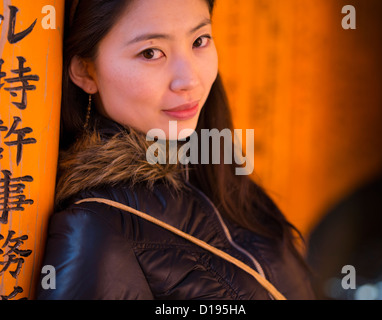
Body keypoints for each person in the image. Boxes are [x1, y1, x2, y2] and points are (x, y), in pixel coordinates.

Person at [36, 0, 315, 300]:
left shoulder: (214, 175)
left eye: (199, 41)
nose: (190, 80)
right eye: (151, 52)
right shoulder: (94, 230)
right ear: (85, 71)